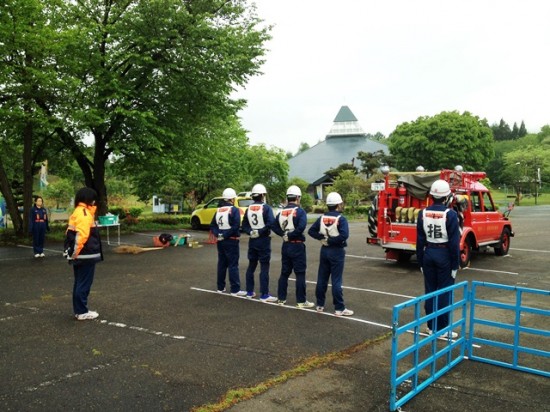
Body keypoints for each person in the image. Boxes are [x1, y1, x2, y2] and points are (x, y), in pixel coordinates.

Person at [416, 179, 460, 338]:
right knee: (444, 292)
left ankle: (431, 326)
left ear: (432, 196)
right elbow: (454, 243)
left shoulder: (423, 213)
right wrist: (456, 264)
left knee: (430, 291)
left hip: (428, 253)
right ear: (447, 196)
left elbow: (420, 239)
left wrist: (420, 260)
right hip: (444, 254)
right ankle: (442, 329)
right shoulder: (451, 214)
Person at [308, 192, 353, 316]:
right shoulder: (341, 219)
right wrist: (331, 240)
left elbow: (311, 231)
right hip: (337, 250)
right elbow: (344, 235)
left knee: (322, 278)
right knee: (336, 280)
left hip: (324, 250)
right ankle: (339, 308)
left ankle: (320, 305)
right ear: (338, 205)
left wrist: (322, 238)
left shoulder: (321, 218)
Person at [272, 185, 314, 308]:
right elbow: (301, 227)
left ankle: (281, 298)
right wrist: (291, 235)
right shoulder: (300, 211)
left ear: (287, 197)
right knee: (300, 273)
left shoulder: (281, 212)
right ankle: (301, 301)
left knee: (284, 273)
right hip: (297, 245)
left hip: (285, 245)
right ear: (297, 197)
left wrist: (283, 234)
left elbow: (273, 226)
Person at [64, 188, 103, 321]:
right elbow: (81, 236)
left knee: (79, 282)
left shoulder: (78, 211)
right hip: (85, 254)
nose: (94, 201)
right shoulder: (84, 213)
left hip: (80, 254)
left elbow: (70, 233)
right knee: (84, 283)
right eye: (93, 199)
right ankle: (82, 311)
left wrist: (71, 253)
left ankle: (79, 310)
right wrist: (75, 253)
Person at [242, 184, 277, 302]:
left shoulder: (248, 208)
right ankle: (264, 294)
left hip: (252, 240)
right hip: (263, 240)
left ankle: (249, 291)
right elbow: (270, 223)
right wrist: (260, 231)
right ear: (263, 195)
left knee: (251, 265)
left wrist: (251, 232)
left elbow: (244, 225)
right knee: (264, 267)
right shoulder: (266, 208)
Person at [210, 188, 246, 296]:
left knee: (222, 263)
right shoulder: (234, 210)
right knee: (233, 264)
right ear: (232, 199)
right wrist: (225, 235)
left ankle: (220, 287)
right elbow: (236, 226)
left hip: (220, 241)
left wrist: (218, 234)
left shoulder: (218, 210)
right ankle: (235, 289)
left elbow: (212, 225)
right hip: (231, 240)